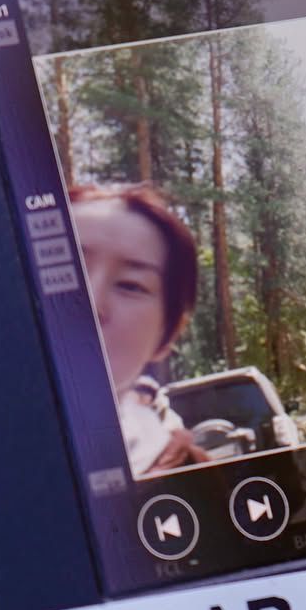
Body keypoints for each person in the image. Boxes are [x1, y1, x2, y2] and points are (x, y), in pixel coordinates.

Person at [69, 183, 209, 475]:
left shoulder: (197, 483)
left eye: (131, 285)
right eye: (68, 269)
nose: (90, 303)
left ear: (168, 334)